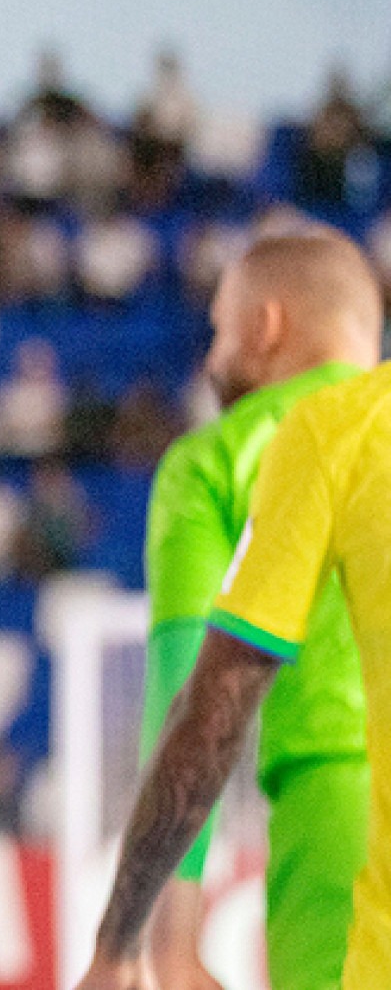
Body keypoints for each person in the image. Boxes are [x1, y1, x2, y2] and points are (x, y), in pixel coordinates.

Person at [76, 234, 390, 990]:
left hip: (334, 812)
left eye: (218, 329)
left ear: (264, 327)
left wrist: (160, 939)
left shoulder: (224, 458)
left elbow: (193, 695)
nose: (210, 356)